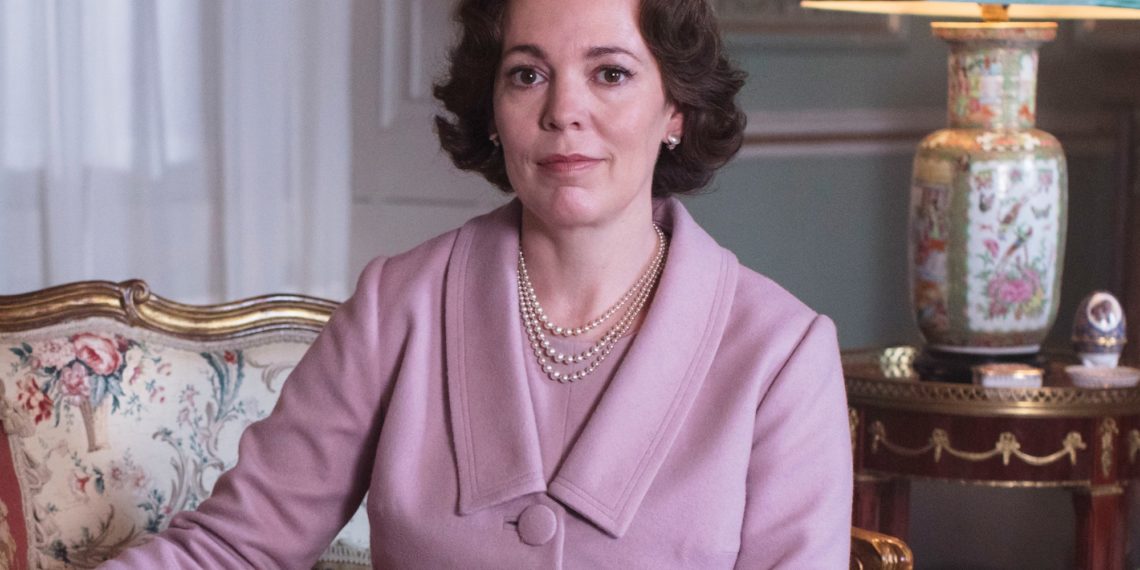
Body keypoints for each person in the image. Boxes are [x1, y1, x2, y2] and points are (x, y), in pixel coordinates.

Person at [104, 0, 852, 567]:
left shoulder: (782, 354)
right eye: (528, 74)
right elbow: (234, 548)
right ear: (493, 111)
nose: (564, 112)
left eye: (610, 74)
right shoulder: (397, 306)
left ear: (676, 110)